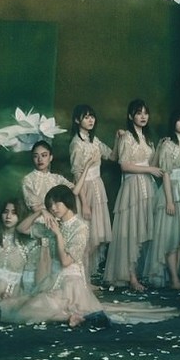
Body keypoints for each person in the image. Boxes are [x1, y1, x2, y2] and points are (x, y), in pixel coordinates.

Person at [5, 186, 177, 326]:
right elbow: (21, 229)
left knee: (35, 308)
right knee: (26, 307)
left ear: (67, 202)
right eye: (50, 205)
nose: (53, 208)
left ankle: (69, 316)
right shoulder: (53, 224)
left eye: (56, 203)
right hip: (52, 280)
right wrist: (41, 212)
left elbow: (65, 261)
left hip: (71, 282)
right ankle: (67, 317)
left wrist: (57, 235)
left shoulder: (80, 227)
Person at [104, 99, 161, 291]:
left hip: (148, 187)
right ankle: (131, 277)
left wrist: (160, 150)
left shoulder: (148, 138)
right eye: (139, 113)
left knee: (144, 229)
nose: (143, 116)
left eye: (145, 113)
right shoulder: (127, 137)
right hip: (132, 187)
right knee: (132, 231)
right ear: (130, 116)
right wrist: (149, 169)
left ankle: (139, 273)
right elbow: (124, 165)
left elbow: (152, 163)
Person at [142, 108, 180, 290]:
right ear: (173, 123)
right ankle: (174, 279)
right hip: (173, 192)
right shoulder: (168, 145)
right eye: (179, 120)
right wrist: (169, 200)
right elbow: (166, 173)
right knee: (171, 239)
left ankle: (176, 278)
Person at [20, 140, 76, 288]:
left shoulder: (57, 179)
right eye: (36, 156)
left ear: (50, 157)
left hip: (58, 226)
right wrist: (45, 212)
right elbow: (34, 205)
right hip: (38, 225)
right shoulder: (28, 179)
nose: (40, 159)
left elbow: (73, 192)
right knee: (39, 272)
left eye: (44, 155)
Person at [69, 104, 114, 275]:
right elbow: (76, 175)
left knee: (96, 235)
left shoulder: (94, 140)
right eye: (86, 117)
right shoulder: (76, 144)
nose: (90, 120)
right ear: (77, 120)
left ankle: (88, 274)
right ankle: (82, 276)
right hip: (85, 190)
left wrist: (120, 138)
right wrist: (84, 204)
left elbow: (112, 156)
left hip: (97, 188)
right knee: (86, 236)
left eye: (92, 116)